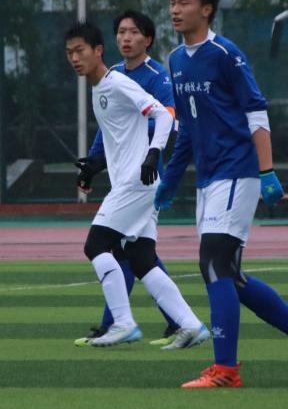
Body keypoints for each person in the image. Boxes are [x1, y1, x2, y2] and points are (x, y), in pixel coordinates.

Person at [154, 0, 288, 389]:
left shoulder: (225, 53)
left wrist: (266, 170)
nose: (175, 10)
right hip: (209, 179)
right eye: (172, 3)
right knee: (230, 275)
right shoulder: (176, 60)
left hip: (237, 171)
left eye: (183, 3)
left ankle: (226, 370)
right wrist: (171, 180)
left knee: (213, 262)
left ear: (206, 9)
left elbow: (256, 110)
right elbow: (187, 129)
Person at [65, 21, 209, 350]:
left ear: (98, 51)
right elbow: (118, 137)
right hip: (135, 182)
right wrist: (94, 165)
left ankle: (123, 323)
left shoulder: (117, 83)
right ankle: (190, 325)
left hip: (136, 182)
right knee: (141, 258)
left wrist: (153, 154)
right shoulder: (101, 87)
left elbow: (164, 115)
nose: (74, 58)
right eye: (69, 52)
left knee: (95, 245)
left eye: (80, 51)